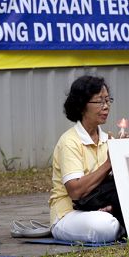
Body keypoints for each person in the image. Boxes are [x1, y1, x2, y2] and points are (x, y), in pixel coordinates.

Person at [49, 75, 122, 243]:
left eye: (108, 100)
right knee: (105, 225)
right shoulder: (69, 141)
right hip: (69, 214)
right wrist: (109, 163)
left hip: (101, 206)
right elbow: (75, 191)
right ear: (82, 106)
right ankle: (122, 221)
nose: (106, 107)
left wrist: (123, 156)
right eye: (99, 101)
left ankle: (118, 216)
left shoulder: (108, 139)